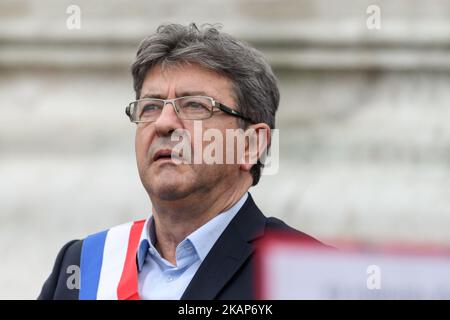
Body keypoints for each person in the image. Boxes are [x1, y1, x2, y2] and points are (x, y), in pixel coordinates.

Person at [38, 23, 323, 300]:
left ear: (250, 145)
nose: (163, 124)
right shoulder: (83, 265)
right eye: (150, 106)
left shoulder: (304, 272)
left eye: (194, 105)